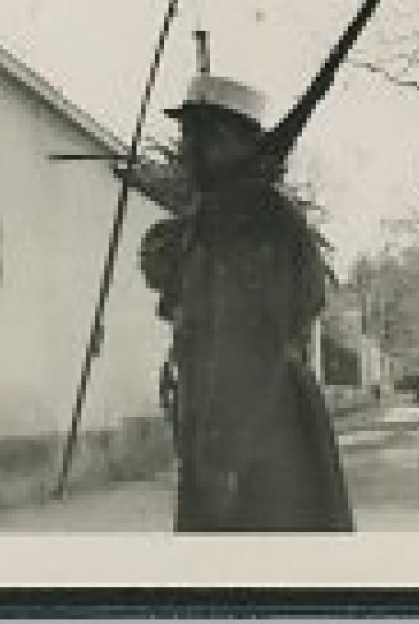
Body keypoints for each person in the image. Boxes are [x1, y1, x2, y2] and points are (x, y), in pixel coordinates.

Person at [139, 73, 353, 533]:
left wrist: (223, 458)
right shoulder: (216, 217)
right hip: (226, 426)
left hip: (259, 430)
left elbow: (252, 343)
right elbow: (168, 279)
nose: (186, 150)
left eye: (196, 136)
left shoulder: (259, 223)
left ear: (228, 141)